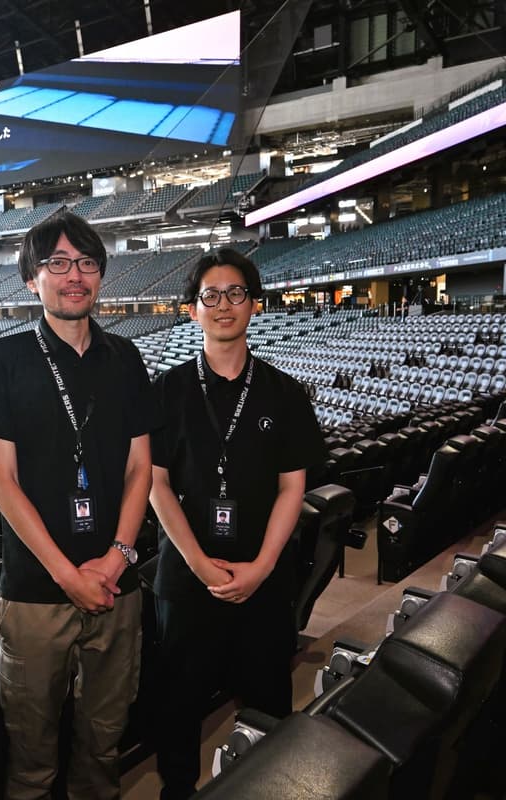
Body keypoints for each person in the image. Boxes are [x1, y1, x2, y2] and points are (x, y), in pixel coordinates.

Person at [0, 211, 156, 800]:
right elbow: (2, 482)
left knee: (104, 744)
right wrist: (66, 574)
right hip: (34, 591)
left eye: (86, 262)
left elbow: (140, 468)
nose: (74, 275)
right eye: (57, 263)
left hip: (116, 585)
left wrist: (117, 557)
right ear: (32, 279)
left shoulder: (126, 357)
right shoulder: (4, 358)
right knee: (31, 756)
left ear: (100, 275)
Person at [148, 247, 325, 800]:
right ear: (192, 310)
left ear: (254, 305)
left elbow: (292, 488)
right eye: (210, 295)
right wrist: (200, 565)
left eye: (235, 293)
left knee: (269, 701)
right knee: (178, 705)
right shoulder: (165, 392)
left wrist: (262, 566)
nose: (223, 305)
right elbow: (155, 485)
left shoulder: (285, 393)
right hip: (187, 578)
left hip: (263, 578)